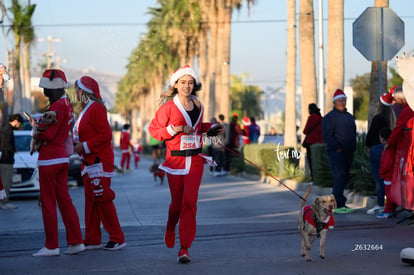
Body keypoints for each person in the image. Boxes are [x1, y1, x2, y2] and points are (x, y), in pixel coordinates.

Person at [149, 65, 222, 264]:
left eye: (190, 83)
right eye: (183, 82)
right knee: (176, 205)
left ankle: (184, 247)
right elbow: (154, 130)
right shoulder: (168, 108)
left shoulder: (199, 105)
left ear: (195, 85)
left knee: (189, 202)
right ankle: (171, 227)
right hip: (176, 161)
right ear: (176, 84)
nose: (187, 86)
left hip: (196, 160)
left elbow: (199, 127)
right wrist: (176, 128)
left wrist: (212, 128)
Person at [33, 69, 85, 256]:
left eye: (47, 89)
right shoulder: (67, 104)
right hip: (62, 157)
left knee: (48, 203)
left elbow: (50, 133)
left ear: (55, 89)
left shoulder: (57, 106)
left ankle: (52, 245)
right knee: (65, 201)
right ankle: (76, 241)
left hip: (50, 159)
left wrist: (37, 129)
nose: (45, 93)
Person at [73, 76, 126, 251]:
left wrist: (84, 146)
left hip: (99, 162)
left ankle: (117, 237)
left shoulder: (95, 108)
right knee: (91, 200)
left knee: (102, 198)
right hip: (89, 161)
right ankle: (92, 238)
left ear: (85, 91)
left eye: (77, 90)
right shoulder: (86, 109)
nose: (75, 93)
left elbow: (106, 135)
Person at [322, 89, 356, 214]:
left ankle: (340, 202)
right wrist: (337, 147)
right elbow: (327, 136)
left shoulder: (349, 117)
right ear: (334, 102)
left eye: (344, 100)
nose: (342, 103)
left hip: (348, 152)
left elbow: (353, 133)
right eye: (340, 101)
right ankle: (336, 204)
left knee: (344, 178)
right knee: (339, 177)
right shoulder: (329, 118)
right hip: (336, 153)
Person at [365, 92, 396, 215]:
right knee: (388, 178)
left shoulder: (378, 118)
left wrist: (368, 145)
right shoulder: (392, 118)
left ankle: (380, 204)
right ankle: (390, 204)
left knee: (379, 178)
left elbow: (371, 134)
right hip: (388, 148)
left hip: (377, 148)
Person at [0, 113, 23, 210]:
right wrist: (14, 150)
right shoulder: (8, 131)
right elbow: (6, 144)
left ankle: (3, 201)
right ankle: (4, 202)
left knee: (3, 182)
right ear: (16, 121)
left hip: (3, 159)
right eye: (19, 124)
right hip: (7, 160)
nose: (19, 126)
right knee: (6, 182)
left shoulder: (5, 129)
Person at [377, 127, 398, 218]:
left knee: (388, 195)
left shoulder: (388, 149)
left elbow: (387, 163)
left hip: (388, 175)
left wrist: (382, 171)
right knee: (391, 194)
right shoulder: (393, 147)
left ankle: (387, 211)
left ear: (382, 138)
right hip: (392, 174)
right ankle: (392, 210)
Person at [302, 103, 323, 181]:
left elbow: (305, 131)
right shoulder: (321, 118)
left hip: (311, 142)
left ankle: (313, 177)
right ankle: (319, 177)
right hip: (320, 142)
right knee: (319, 160)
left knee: (311, 160)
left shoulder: (311, 118)